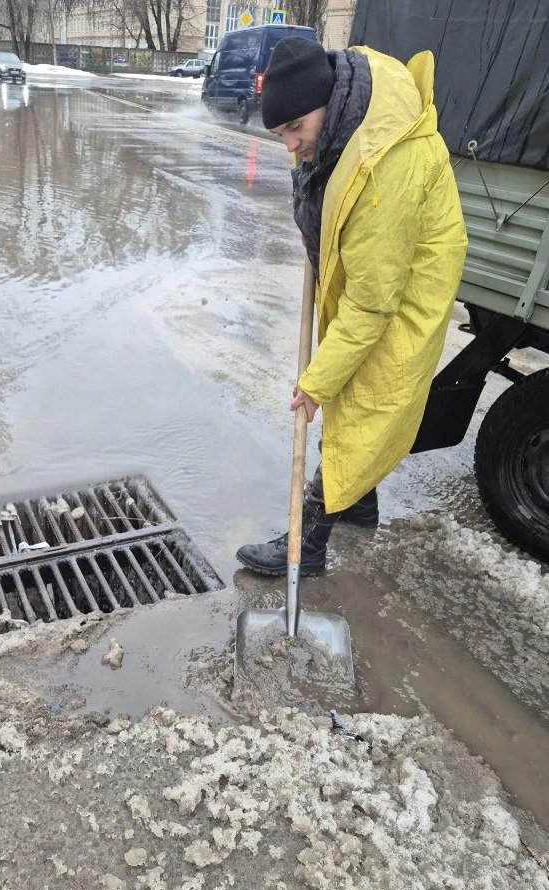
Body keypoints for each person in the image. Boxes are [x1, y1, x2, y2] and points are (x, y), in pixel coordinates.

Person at [236, 36, 467, 577]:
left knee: (365, 400)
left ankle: (307, 546)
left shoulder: (386, 163)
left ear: (325, 101)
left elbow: (370, 305)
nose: (290, 144)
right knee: (355, 393)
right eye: (280, 133)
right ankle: (359, 505)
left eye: (296, 127)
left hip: (402, 291)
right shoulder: (342, 127)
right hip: (379, 276)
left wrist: (314, 385)